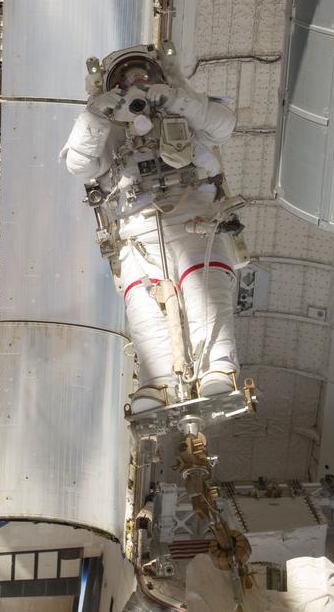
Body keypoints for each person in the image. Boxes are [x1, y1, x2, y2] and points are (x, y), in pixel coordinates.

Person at [61, 45, 242, 414]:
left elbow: (224, 124)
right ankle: (158, 384)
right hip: (135, 227)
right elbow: (79, 165)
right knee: (143, 306)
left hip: (192, 213)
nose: (136, 84)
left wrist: (179, 100)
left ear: (161, 77)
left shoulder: (188, 112)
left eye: (143, 75)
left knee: (203, 291)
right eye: (125, 79)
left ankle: (217, 368)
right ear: (111, 87)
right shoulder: (106, 129)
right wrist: (97, 114)